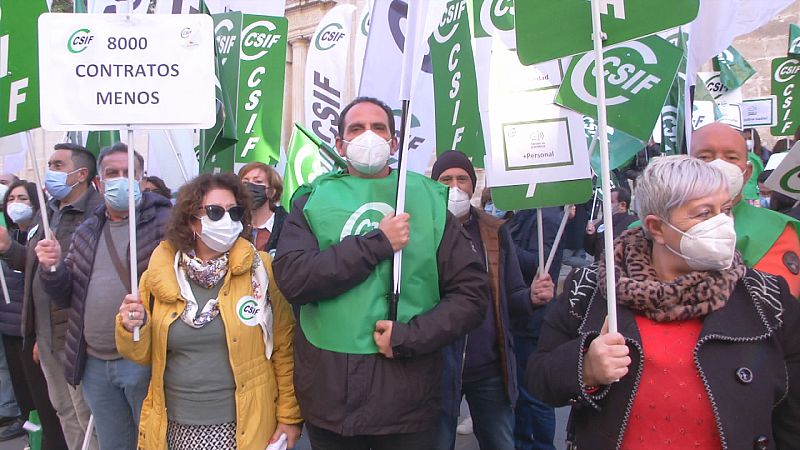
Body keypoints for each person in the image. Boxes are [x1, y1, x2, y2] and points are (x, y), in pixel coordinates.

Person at [528, 155, 800, 449]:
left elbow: (793, 415)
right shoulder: (589, 289)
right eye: (704, 213)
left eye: (726, 211)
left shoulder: (766, 296)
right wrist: (585, 367)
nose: (722, 224)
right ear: (656, 227)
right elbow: (539, 378)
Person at [273, 97, 489, 448]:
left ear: (394, 142)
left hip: (406, 401)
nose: (368, 136)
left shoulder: (429, 201)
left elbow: (471, 294)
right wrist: (377, 243)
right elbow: (294, 278)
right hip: (330, 399)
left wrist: (410, 337)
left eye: (379, 128)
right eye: (356, 129)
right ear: (340, 143)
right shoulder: (311, 200)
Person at [115, 173, 302, 450]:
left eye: (235, 212)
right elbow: (139, 354)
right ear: (192, 220)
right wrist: (131, 325)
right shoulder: (160, 274)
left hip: (243, 424)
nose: (227, 221)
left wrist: (289, 417)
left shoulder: (260, 270)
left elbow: (283, 348)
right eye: (215, 212)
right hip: (176, 424)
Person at [35, 143, 171, 449]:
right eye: (112, 173)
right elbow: (65, 295)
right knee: (113, 443)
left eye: (129, 173)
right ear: (98, 181)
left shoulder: (167, 224)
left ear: (142, 178)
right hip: (95, 362)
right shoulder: (87, 230)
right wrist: (53, 267)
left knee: (153, 441)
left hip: (144, 357)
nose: (121, 179)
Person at [430, 151, 554, 450]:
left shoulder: (493, 231)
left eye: (462, 179)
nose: (455, 186)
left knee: (500, 443)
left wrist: (532, 297)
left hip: (488, 366)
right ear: (433, 185)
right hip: (435, 368)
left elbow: (510, 296)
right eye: (446, 179)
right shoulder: (421, 230)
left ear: (473, 185)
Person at [0, 143, 99, 450]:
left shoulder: (95, 214)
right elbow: (35, 266)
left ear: (80, 174)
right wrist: (9, 249)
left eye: (57, 165)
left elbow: (78, 278)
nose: (49, 171)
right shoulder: (50, 212)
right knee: (64, 413)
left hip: (75, 337)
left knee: (87, 419)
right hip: (47, 336)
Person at [690, 122, 800, 297]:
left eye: (731, 158)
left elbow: (773, 305)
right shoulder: (649, 229)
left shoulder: (775, 229)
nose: (718, 165)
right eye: (704, 157)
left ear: (747, 172)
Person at [0, 181, 65, 446]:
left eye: (23, 198)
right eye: (11, 198)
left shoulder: (45, 232)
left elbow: (37, 273)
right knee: (28, 396)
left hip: (31, 328)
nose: (16, 203)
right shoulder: (14, 234)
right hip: (13, 328)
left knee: (52, 401)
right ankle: (34, 435)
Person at [238, 162, 287, 256]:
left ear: (272, 191)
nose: (250, 186)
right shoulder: (234, 224)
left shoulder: (287, 225)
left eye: (258, 182)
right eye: (245, 182)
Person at [583, 187, 638, 260]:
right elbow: (591, 250)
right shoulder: (603, 222)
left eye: (611, 202)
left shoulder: (634, 223)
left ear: (622, 205)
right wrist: (590, 235)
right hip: (601, 266)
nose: (606, 204)